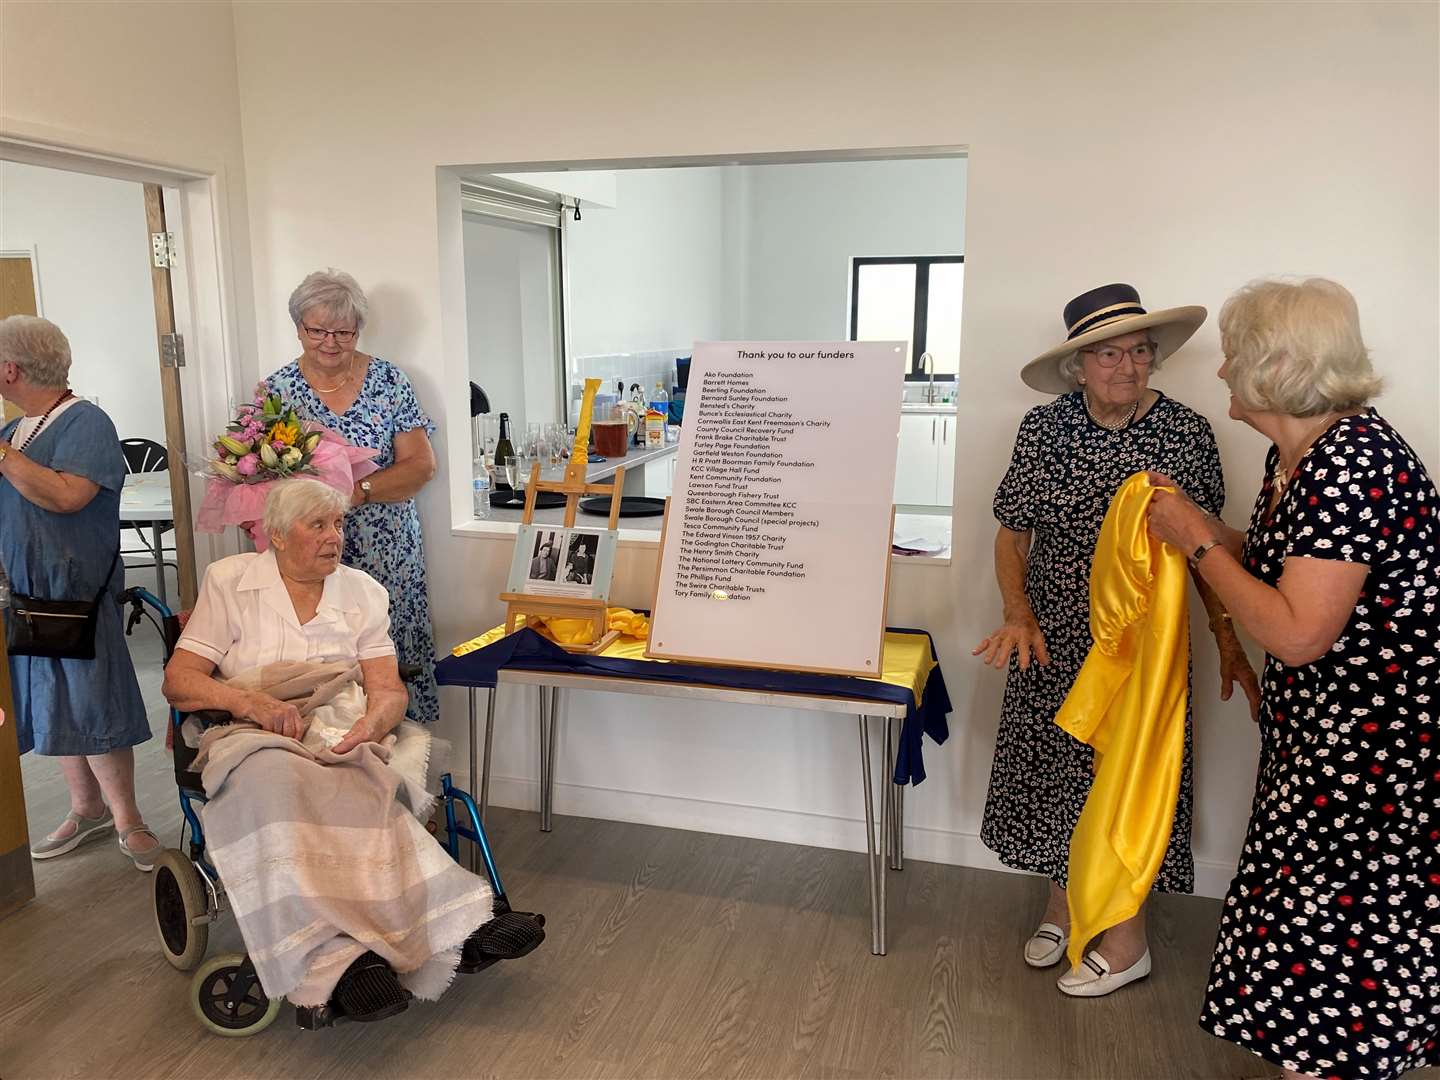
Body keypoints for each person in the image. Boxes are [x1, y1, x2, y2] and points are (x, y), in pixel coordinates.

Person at [1146, 278, 1437, 1080]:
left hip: (1372, 762)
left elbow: (1300, 633)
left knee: (1339, 947)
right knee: (1317, 935)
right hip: (1328, 744)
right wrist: (1206, 528)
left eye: (1233, 354)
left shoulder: (1353, 466)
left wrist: (1196, 546)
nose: (1220, 371)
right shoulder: (1302, 453)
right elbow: (1289, 567)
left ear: (1275, 367)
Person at [162, 480, 542, 1020]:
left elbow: (389, 689)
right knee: (285, 784)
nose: (333, 536)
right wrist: (251, 703)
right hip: (256, 725)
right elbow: (179, 681)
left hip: (342, 720)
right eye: (316, 525)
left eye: (337, 524)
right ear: (275, 534)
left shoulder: (362, 590)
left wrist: (372, 724)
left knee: (368, 776)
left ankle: (373, 951)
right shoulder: (231, 581)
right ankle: (422, 934)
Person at [974, 284, 1259, 997]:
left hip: (1144, 646)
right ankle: (1063, 905)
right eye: (1109, 354)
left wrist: (1226, 637)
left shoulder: (1186, 434)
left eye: (1139, 352)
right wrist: (1018, 612)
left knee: (1131, 778)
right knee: (1057, 773)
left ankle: (1126, 930)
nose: (1127, 367)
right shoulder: (1044, 431)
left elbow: (1206, 553)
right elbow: (1013, 535)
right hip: (1055, 638)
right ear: (1079, 366)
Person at [0, 315, 160, 869]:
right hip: (24, 592)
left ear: (11, 368)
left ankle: (128, 820)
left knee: (95, 703)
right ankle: (85, 807)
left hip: (78, 592)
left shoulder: (86, 422)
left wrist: (4, 458)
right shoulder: (13, 431)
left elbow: (68, 497)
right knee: (53, 702)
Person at [265, 270, 441, 723]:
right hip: (309, 553)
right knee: (322, 663)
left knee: (389, 660)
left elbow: (422, 466)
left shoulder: (389, 380)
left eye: (343, 331)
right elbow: (264, 481)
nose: (329, 341)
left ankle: (402, 778)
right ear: (298, 327)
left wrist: (357, 492)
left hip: (387, 551)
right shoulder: (276, 392)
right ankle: (330, 771)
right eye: (316, 330)